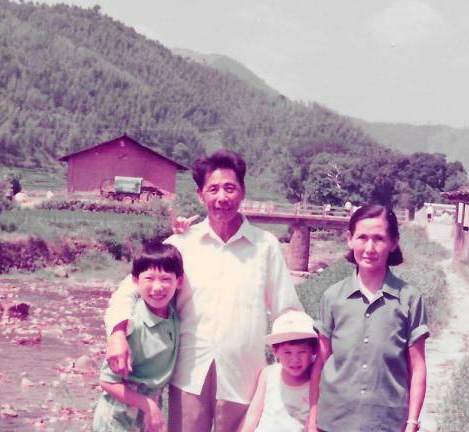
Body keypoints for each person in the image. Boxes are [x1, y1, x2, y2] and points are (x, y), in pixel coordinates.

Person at [104, 149, 302, 432]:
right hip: (189, 373)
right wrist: (117, 334)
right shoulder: (183, 244)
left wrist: (300, 363)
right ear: (200, 195)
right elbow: (131, 288)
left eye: (230, 188)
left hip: (244, 376)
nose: (222, 197)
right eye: (214, 189)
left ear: (242, 192)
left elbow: (287, 310)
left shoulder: (265, 246)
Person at [308, 204, 430, 432]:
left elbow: (418, 368)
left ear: (394, 243)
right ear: (349, 239)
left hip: (386, 424)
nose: (369, 248)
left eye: (379, 239)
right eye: (362, 238)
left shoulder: (409, 299)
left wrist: (412, 422)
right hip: (334, 422)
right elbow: (320, 364)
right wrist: (313, 419)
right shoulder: (332, 297)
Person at [92, 242, 184, 432]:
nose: (157, 287)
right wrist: (148, 406)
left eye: (166, 279)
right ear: (135, 281)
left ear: (179, 282)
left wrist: (182, 234)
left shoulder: (172, 310)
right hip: (117, 416)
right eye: (149, 278)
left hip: (148, 409)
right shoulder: (132, 326)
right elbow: (107, 381)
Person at [240, 310, 318, 432]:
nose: (295, 359)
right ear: (275, 350)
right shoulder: (269, 374)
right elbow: (253, 414)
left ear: (313, 350)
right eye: (287, 352)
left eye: (302, 352)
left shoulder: (315, 380)